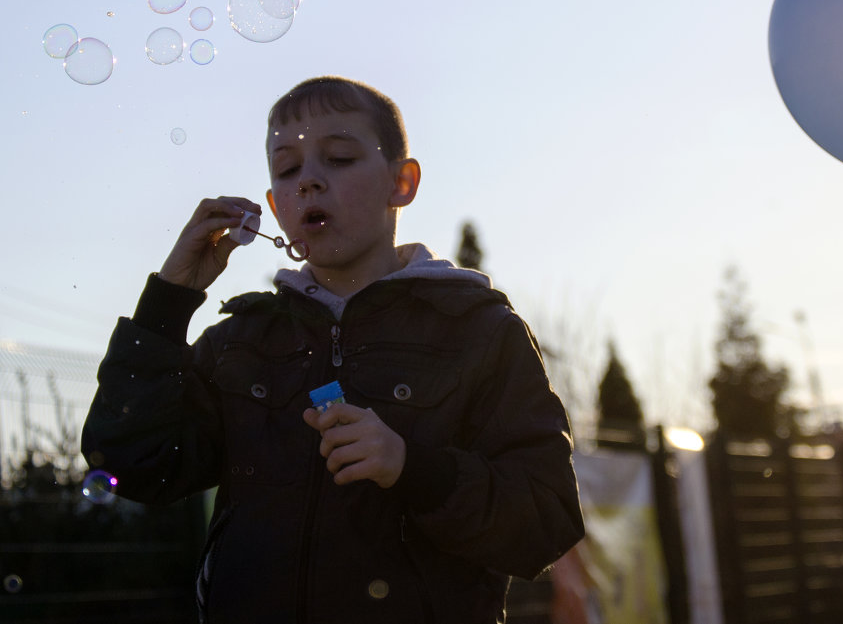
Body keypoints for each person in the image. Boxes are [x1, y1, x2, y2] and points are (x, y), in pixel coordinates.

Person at [81, 76, 585, 623]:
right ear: (274, 207)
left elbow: (546, 520)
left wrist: (411, 468)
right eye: (288, 168)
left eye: (339, 157)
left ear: (403, 182)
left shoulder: (478, 331)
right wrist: (169, 301)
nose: (310, 182)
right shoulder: (243, 340)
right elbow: (133, 462)